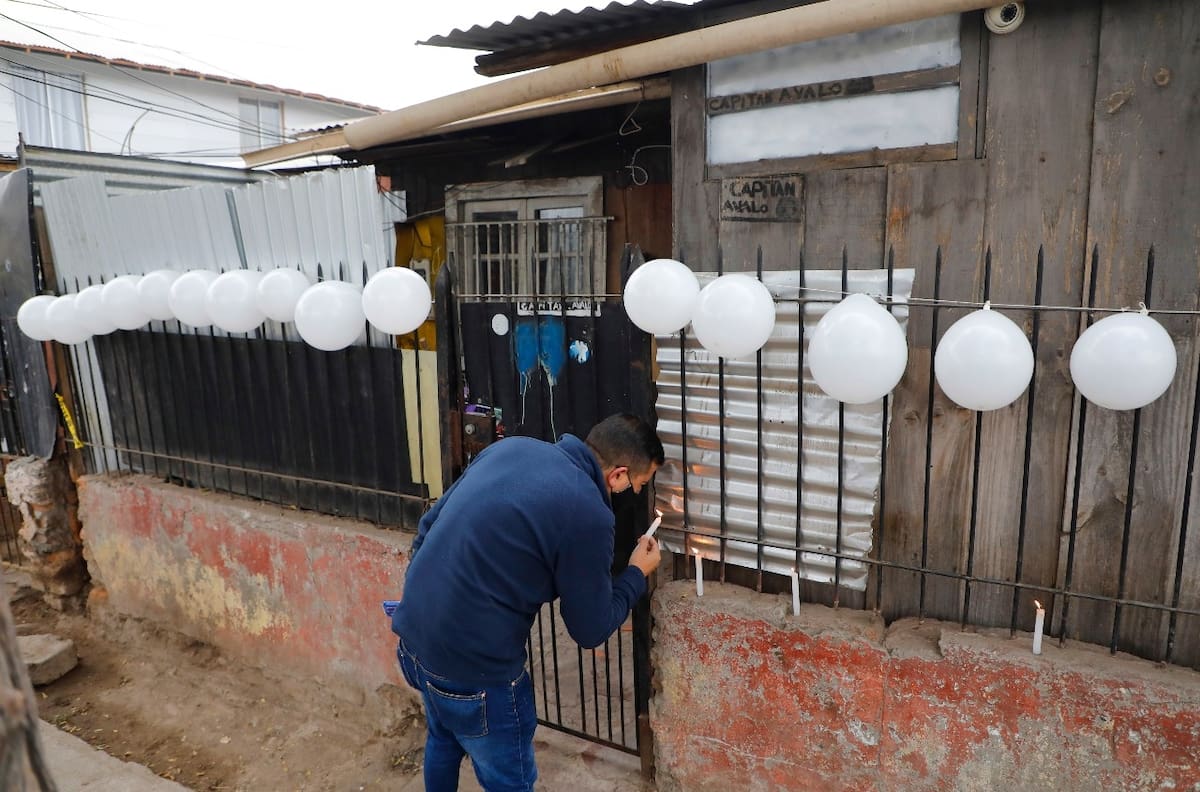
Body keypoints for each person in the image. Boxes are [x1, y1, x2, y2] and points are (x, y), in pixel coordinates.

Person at [391, 413, 665, 792]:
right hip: (478, 673)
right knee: (510, 782)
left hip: (414, 637)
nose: (633, 493)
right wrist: (636, 572)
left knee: (444, 737)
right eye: (637, 484)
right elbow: (590, 628)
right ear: (618, 474)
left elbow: (426, 529)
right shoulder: (590, 511)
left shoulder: (510, 448)